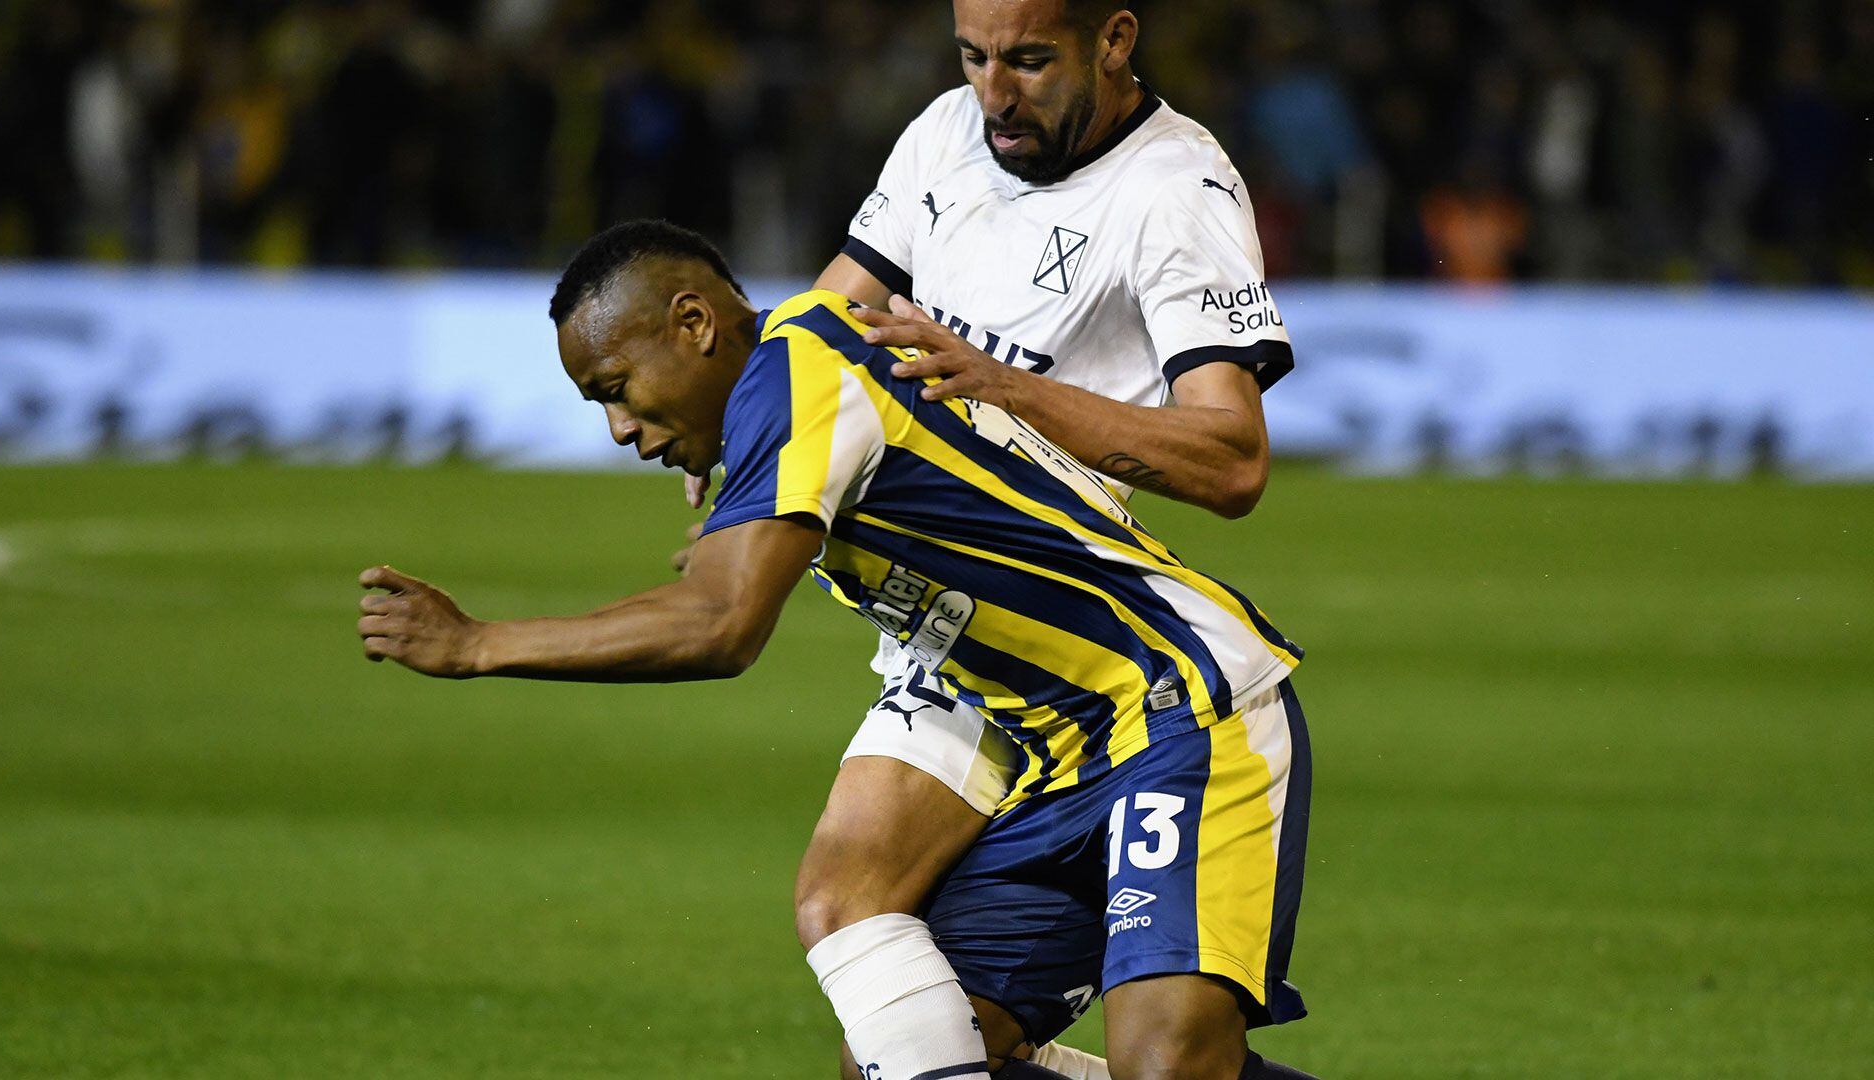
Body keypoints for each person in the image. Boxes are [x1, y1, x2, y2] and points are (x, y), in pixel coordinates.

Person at [358, 221, 1316, 1080]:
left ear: (694, 323)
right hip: (1058, 759)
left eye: (619, 390)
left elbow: (722, 623)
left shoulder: (804, 359)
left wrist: (478, 645)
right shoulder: (799, 381)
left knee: (1162, 1066)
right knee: (908, 1047)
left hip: (1183, 707)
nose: (620, 430)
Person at [682, 2, 1298, 1075]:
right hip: (954, 630)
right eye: (972, 57)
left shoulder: (1175, 189)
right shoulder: (941, 136)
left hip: (1077, 622)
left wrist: (1004, 388)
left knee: (955, 1029)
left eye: (1027, 61)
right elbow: (831, 316)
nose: (993, 94)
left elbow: (1231, 458)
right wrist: (745, 438)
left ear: (1114, 41)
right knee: (862, 946)